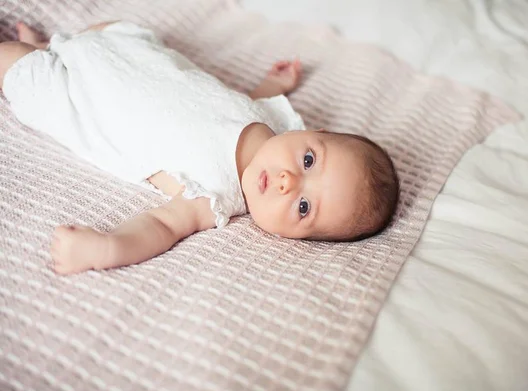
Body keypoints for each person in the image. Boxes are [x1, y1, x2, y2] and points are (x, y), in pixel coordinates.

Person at [0, 21, 399, 275]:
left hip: (79, 99)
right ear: (315, 130)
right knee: (100, 33)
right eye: (309, 160)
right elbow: (238, 104)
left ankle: (35, 53)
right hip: (125, 59)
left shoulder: (215, 196)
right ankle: (46, 47)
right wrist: (273, 87)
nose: (287, 181)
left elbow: (160, 227)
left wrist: (107, 248)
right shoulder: (275, 124)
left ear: (295, 239)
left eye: (302, 207)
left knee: (17, 66)